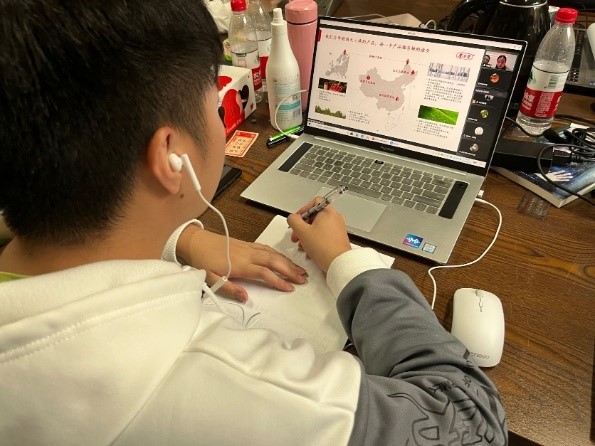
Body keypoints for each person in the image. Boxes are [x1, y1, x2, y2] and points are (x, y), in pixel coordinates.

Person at [0, 1, 507, 445]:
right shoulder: (246, 391)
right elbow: (471, 423)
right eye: (214, 103)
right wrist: (348, 263)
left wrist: (179, 239)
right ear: (171, 157)